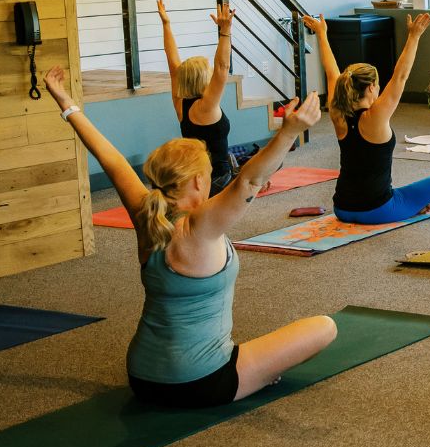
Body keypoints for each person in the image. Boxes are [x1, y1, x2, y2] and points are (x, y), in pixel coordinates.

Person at [43, 66, 337, 408]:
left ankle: (251, 369)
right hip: (203, 382)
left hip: (142, 379)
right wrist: (289, 132)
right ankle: (254, 376)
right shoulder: (199, 226)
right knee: (324, 327)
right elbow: (248, 182)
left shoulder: (146, 213)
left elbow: (108, 156)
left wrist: (66, 103)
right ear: (199, 181)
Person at [302, 12, 430, 225]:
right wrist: (414, 36)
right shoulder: (375, 117)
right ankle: (408, 207)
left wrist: (322, 34)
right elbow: (400, 75)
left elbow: (331, 73)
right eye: (378, 85)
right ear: (372, 87)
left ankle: (407, 205)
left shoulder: (338, 113)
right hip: (376, 210)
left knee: (400, 192)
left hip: (342, 208)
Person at [159, 0, 236, 192]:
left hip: (196, 178)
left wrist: (166, 25)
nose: (212, 71)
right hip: (217, 180)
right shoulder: (206, 107)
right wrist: (225, 31)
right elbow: (222, 67)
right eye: (208, 69)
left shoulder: (180, 103)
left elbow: (173, 64)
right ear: (203, 79)